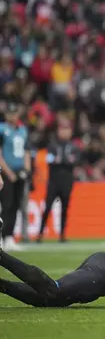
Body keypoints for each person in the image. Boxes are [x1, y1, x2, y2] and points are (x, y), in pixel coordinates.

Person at [37, 119, 80, 243]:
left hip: (67, 182)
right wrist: (65, 161)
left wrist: (60, 160)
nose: (64, 132)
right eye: (62, 129)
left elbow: (75, 161)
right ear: (58, 131)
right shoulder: (52, 145)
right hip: (54, 181)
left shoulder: (73, 147)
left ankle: (62, 234)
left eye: (67, 129)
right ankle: (40, 233)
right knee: (47, 207)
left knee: (65, 208)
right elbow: (51, 161)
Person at [0, 102, 31, 252]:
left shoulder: (23, 130)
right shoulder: (2, 130)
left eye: (15, 113)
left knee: (16, 205)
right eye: (10, 113)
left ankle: (9, 237)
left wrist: (27, 169)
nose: (13, 116)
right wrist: (8, 172)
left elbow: (26, 151)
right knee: (7, 205)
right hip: (7, 172)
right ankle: (3, 236)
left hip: (20, 172)